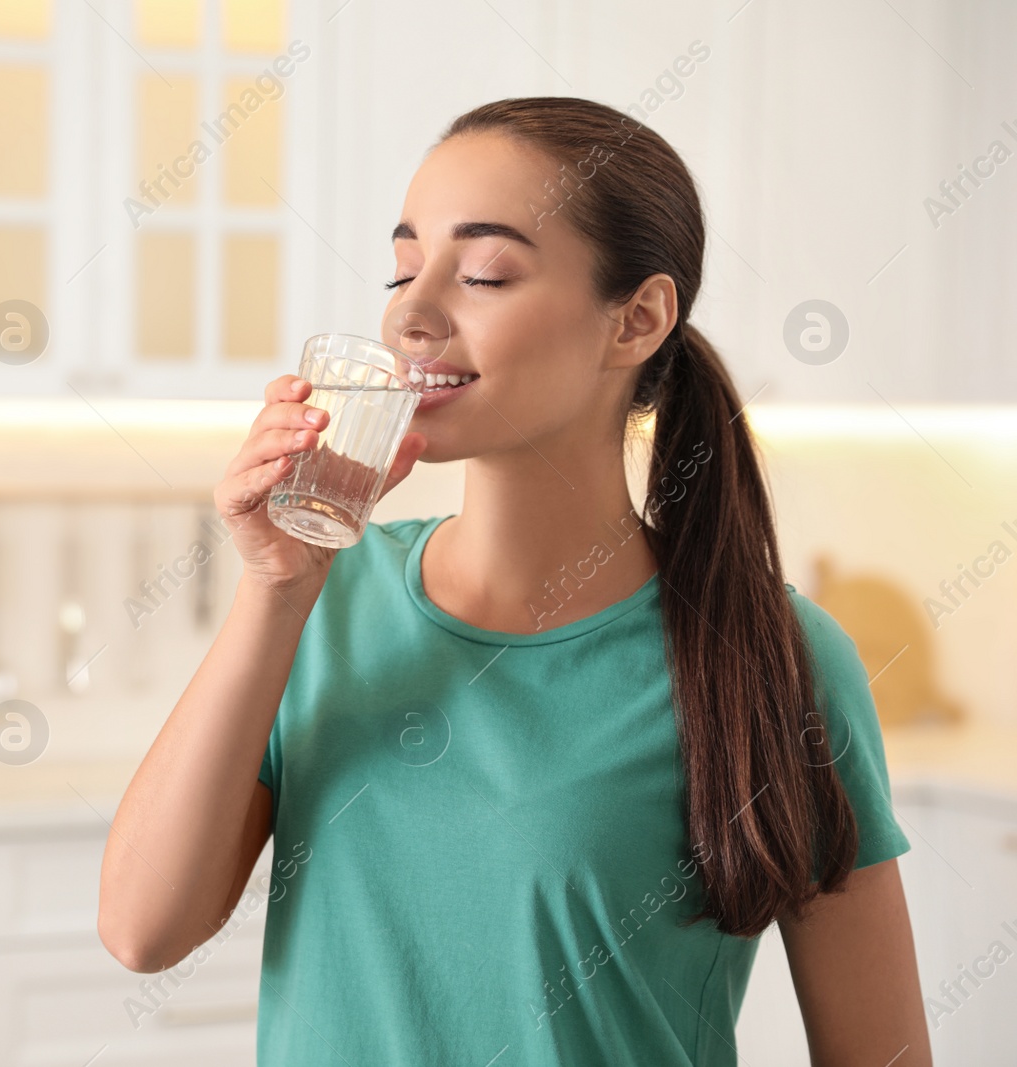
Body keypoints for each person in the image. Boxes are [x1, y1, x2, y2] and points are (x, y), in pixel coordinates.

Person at [99, 96, 931, 1066]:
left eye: (485, 272)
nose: (411, 313)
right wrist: (275, 589)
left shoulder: (776, 661)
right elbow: (141, 929)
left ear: (637, 319)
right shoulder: (321, 598)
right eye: (403, 268)